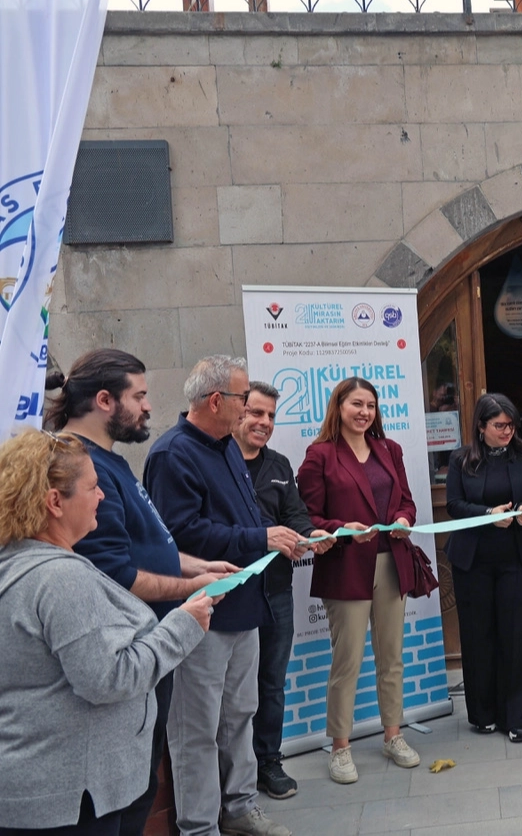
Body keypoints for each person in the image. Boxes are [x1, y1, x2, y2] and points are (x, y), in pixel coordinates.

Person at [47, 349, 237, 835]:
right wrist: (192, 587)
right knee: (129, 796)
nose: (149, 406)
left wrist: (197, 565)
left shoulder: (109, 462)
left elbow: (147, 544)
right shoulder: (80, 466)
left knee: (143, 779)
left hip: (148, 644)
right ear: (104, 400)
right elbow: (115, 570)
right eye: (140, 396)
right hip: (126, 651)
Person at [0, 429, 213, 836]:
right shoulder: (60, 579)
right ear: (55, 502)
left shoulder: (16, 561)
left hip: (43, 790)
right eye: (92, 487)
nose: (101, 496)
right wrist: (183, 625)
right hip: (69, 799)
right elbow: (107, 678)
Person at [144, 356, 303, 836]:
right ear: (216, 401)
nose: (248, 408)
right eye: (243, 399)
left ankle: (239, 807)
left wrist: (278, 535)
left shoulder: (227, 446)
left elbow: (243, 515)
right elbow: (180, 534)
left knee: (240, 715)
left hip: (245, 605)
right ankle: (198, 826)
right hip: (203, 612)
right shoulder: (172, 454)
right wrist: (260, 538)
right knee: (196, 727)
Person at [297, 377, 422, 784]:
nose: (364, 412)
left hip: (391, 563)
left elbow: (407, 501)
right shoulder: (320, 455)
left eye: (370, 405)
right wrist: (341, 529)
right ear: (339, 406)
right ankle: (340, 747)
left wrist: (403, 518)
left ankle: (393, 735)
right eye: (356, 404)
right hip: (346, 567)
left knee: (392, 657)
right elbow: (307, 517)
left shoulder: (390, 449)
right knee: (347, 660)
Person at [232, 382, 335, 800]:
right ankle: (232, 772)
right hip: (231, 592)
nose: (264, 423)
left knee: (272, 682)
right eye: (256, 413)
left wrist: (313, 535)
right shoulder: (218, 462)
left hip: (276, 591)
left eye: (271, 416)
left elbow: (296, 515)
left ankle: (268, 762)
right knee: (234, 690)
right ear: (236, 412)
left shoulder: (278, 464)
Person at [444, 393, 522, 743]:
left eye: (512, 425)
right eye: (500, 425)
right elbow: (454, 505)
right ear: (481, 426)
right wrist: (487, 515)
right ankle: (483, 714)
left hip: (517, 556)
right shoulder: (460, 459)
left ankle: (518, 718)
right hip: (473, 559)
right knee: (478, 636)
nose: (507, 431)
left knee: (518, 637)